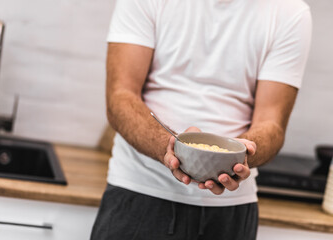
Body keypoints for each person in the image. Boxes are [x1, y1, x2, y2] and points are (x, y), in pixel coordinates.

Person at [91, 0, 312, 239]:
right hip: (139, 195)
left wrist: (238, 155)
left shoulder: (290, 12)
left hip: (230, 212)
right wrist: (171, 149)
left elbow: (272, 123)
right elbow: (120, 97)